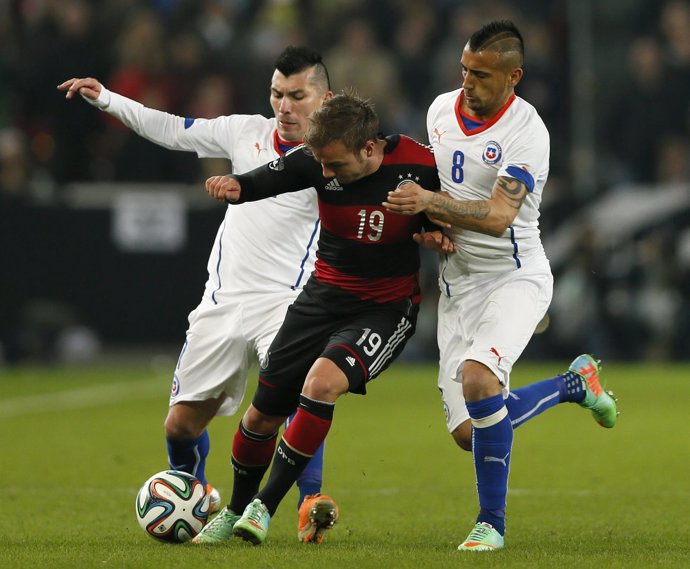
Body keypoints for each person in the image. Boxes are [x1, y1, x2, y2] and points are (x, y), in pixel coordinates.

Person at [57, 46, 340, 543]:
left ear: (326, 98)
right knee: (180, 427)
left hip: (288, 303)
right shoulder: (244, 132)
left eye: (298, 95)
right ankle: (194, 493)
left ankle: (310, 501)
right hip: (224, 302)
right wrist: (108, 100)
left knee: (297, 399)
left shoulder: (337, 159)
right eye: (278, 94)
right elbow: (171, 129)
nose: (285, 106)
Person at [383, 20, 619, 551]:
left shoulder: (528, 130)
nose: (468, 83)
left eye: (482, 75)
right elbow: (438, 190)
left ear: (514, 76)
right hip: (458, 286)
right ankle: (572, 385)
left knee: (479, 379)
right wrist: (428, 228)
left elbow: (495, 217)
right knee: (471, 433)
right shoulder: (440, 111)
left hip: (515, 278)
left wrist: (428, 205)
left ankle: (491, 524)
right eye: (465, 70)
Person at [198, 91, 453, 545]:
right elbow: (258, 182)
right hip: (322, 298)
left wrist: (436, 230)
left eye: (336, 166)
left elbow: (447, 211)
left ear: (370, 148)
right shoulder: (315, 160)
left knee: (321, 384)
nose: (326, 174)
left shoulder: (420, 164)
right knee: (261, 417)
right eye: (321, 166)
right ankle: (235, 508)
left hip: (385, 308)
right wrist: (233, 186)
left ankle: (264, 506)